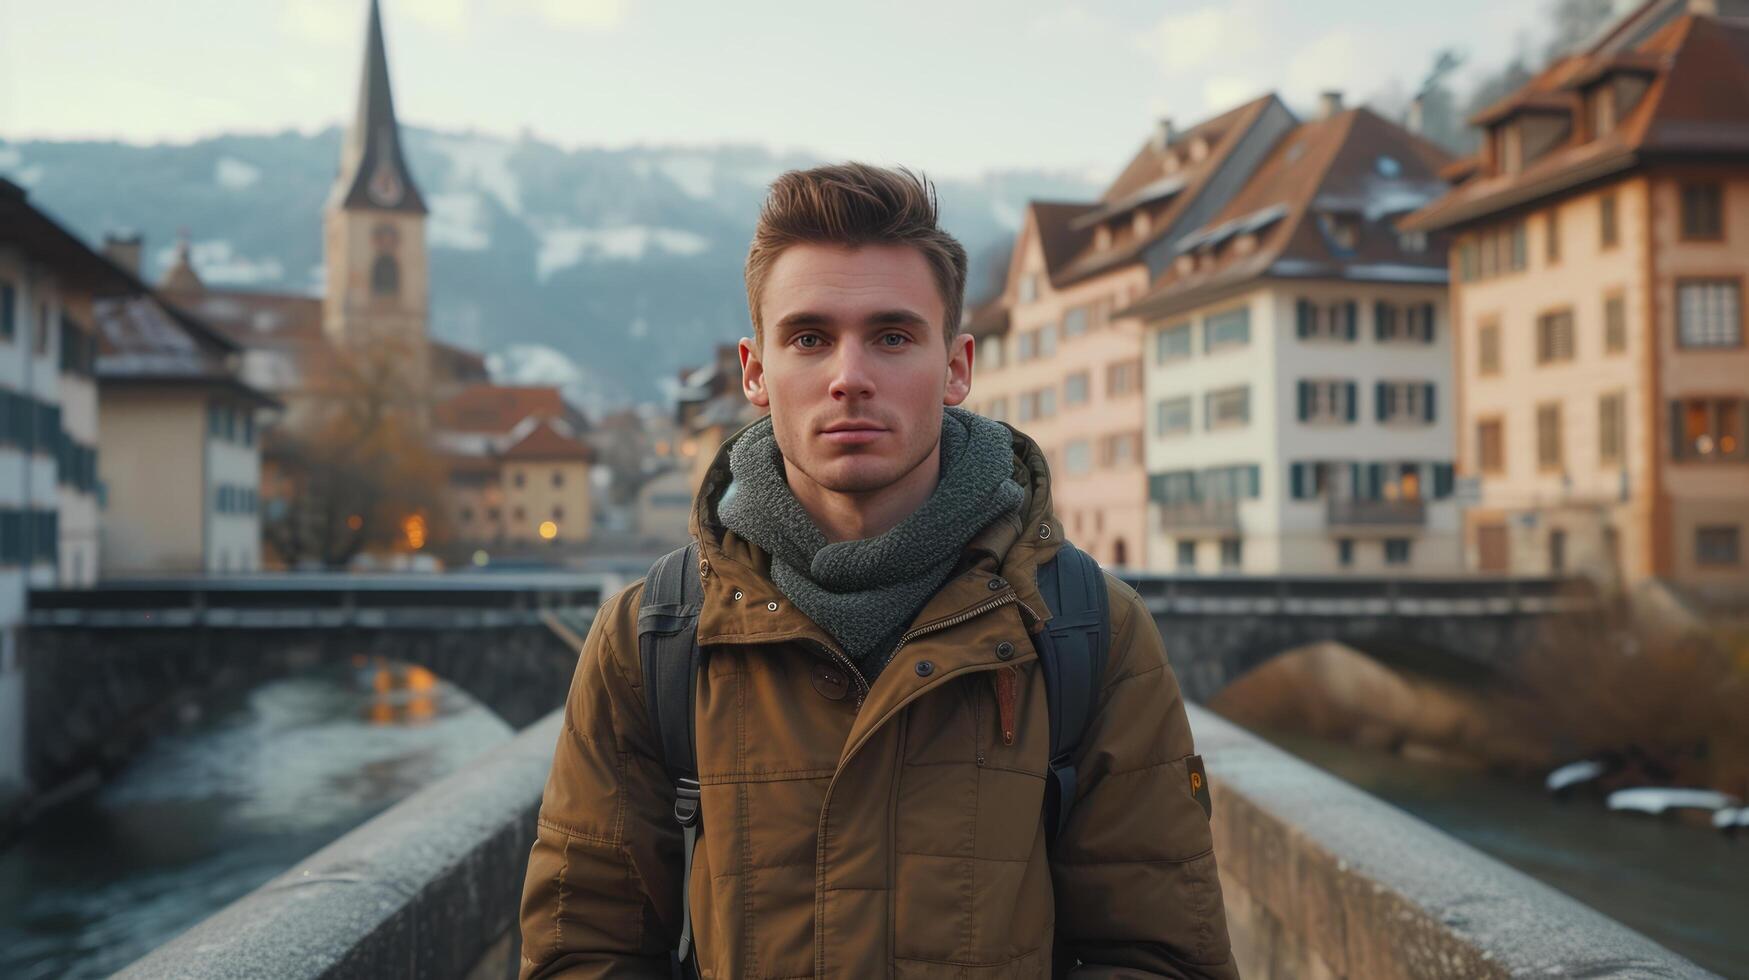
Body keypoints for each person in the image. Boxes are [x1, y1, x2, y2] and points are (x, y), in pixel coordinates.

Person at [518, 163, 1236, 979]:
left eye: (891, 336)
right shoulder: (653, 636)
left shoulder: (1085, 628)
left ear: (957, 366)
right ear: (755, 372)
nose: (848, 375)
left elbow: (1161, 958)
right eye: (809, 338)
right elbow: (581, 956)